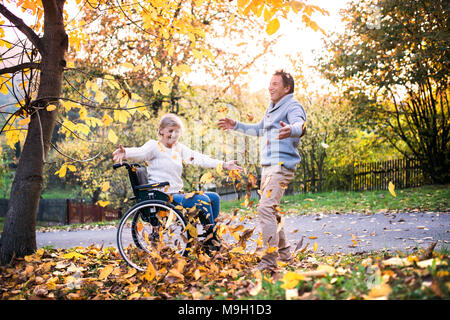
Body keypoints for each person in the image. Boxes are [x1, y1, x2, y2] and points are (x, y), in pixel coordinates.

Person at [218, 70, 307, 271]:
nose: (270, 87)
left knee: (265, 209)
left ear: (287, 88)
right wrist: (236, 125)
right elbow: (260, 129)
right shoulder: (272, 107)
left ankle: (269, 262)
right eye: (270, 83)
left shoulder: (292, 105)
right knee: (271, 211)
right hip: (269, 166)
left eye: (275, 84)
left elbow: (300, 124)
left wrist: (292, 130)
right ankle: (285, 256)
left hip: (281, 165)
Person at [112, 113, 242, 233]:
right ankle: (211, 238)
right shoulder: (154, 146)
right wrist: (126, 153)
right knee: (203, 199)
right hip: (163, 195)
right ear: (161, 131)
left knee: (214, 198)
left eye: (177, 132)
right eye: (170, 131)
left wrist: (224, 165)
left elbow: (199, 158)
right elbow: (140, 153)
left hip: (176, 194)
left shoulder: (178, 149)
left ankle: (208, 234)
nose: (174, 135)